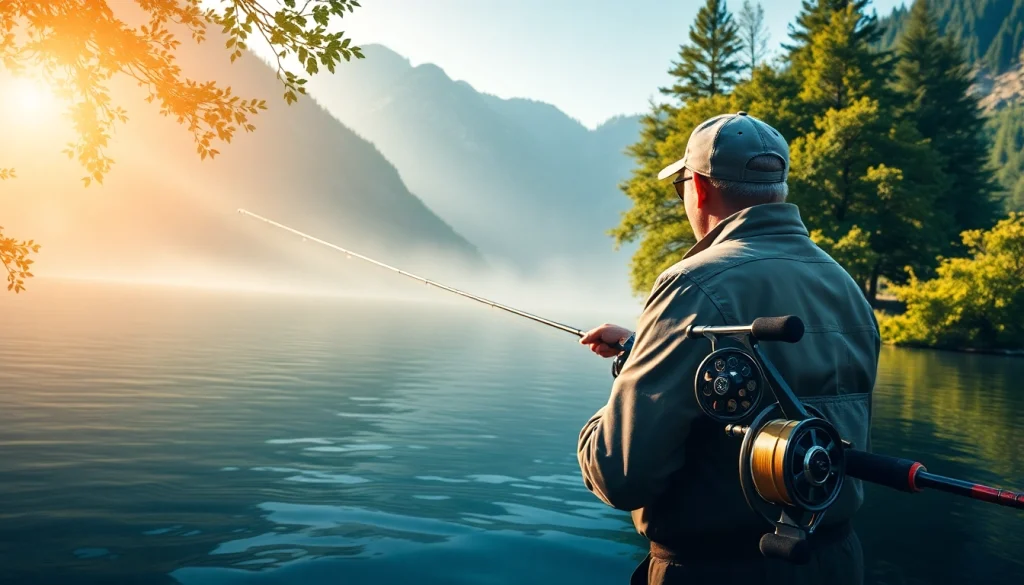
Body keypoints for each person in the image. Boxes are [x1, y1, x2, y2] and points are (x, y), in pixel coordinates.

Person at [576, 111, 880, 585]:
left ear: (697, 188)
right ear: (777, 190)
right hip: (836, 563)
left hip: (717, 571)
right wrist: (644, 349)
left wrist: (614, 406)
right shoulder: (847, 289)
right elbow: (769, 382)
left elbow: (620, 474)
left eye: (682, 190)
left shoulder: (692, 285)